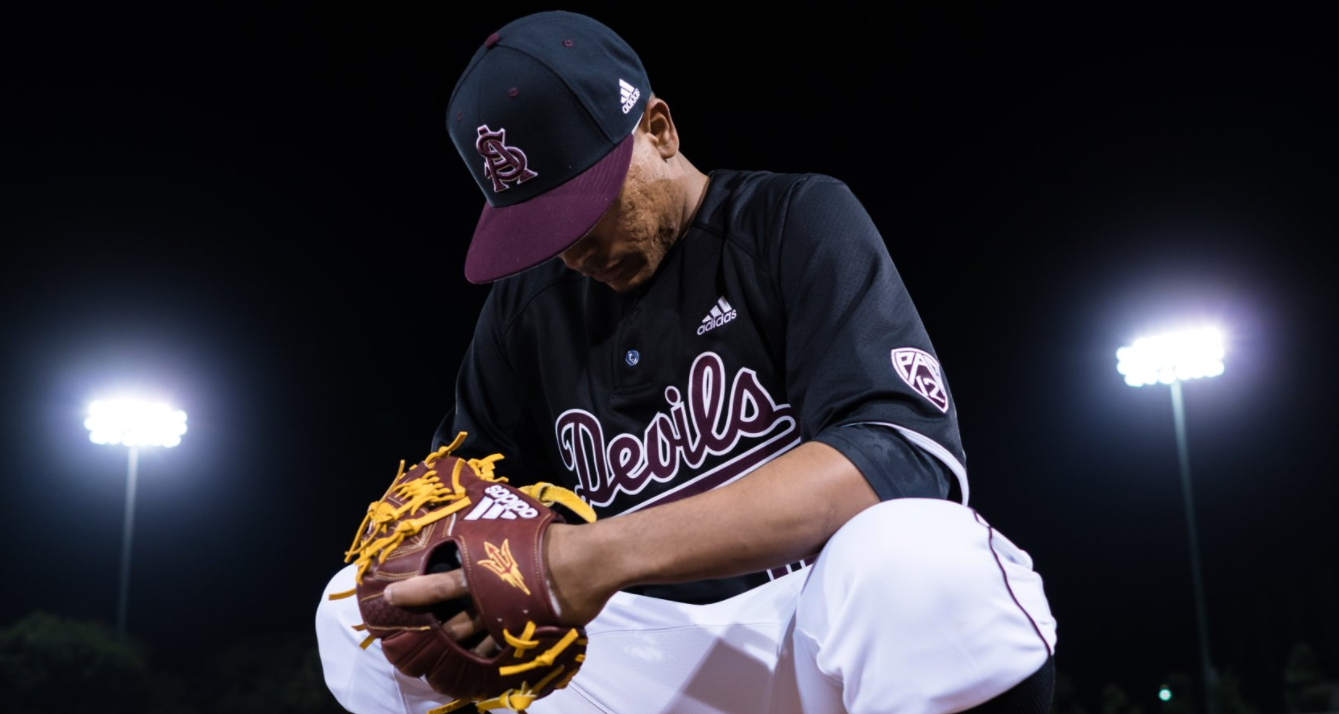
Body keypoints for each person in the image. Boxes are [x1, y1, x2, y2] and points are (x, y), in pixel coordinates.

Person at [317, 10, 1057, 714]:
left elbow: (899, 456)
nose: (571, 251)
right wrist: (453, 565)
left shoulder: (788, 222)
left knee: (917, 557)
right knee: (357, 617)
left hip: (818, 631)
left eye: (583, 208)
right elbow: (461, 501)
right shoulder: (525, 310)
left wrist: (595, 557)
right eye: (540, 228)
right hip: (652, 665)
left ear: (659, 129)